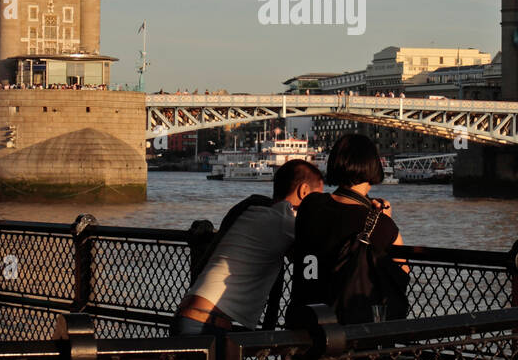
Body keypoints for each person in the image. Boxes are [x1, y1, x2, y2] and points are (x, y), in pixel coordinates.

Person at [171, 159, 324, 335]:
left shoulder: (255, 212)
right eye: (317, 197)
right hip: (207, 325)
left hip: (188, 317)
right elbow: (317, 247)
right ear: (304, 191)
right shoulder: (286, 222)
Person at [289, 133, 410, 324]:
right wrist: (383, 218)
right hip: (351, 330)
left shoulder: (310, 205)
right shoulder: (381, 223)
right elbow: (402, 274)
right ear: (373, 166)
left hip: (304, 320)